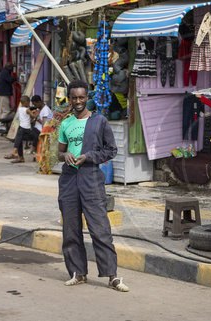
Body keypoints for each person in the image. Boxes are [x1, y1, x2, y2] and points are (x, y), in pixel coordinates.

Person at [57, 79, 129, 292]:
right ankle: (78, 273)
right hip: (69, 180)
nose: (78, 101)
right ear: (69, 99)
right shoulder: (66, 123)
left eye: (81, 97)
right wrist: (66, 154)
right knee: (70, 229)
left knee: (100, 229)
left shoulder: (99, 121)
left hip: (91, 179)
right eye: (74, 98)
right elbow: (59, 152)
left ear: (87, 98)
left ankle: (112, 276)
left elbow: (111, 150)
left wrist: (88, 156)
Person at [3, 96, 37, 163]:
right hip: (27, 129)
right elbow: (33, 116)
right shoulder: (27, 110)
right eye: (29, 102)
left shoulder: (20, 109)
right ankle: (17, 154)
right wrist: (36, 112)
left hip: (22, 127)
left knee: (18, 137)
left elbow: (26, 117)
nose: (29, 103)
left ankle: (16, 153)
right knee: (23, 137)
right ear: (26, 102)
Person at [0, 63, 17, 132]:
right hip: (3, 93)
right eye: (12, 67)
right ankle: (1, 125)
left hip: (1, 93)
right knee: (6, 110)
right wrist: (16, 78)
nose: (12, 69)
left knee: (1, 110)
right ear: (9, 67)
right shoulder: (6, 72)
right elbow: (10, 80)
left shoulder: (5, 71)